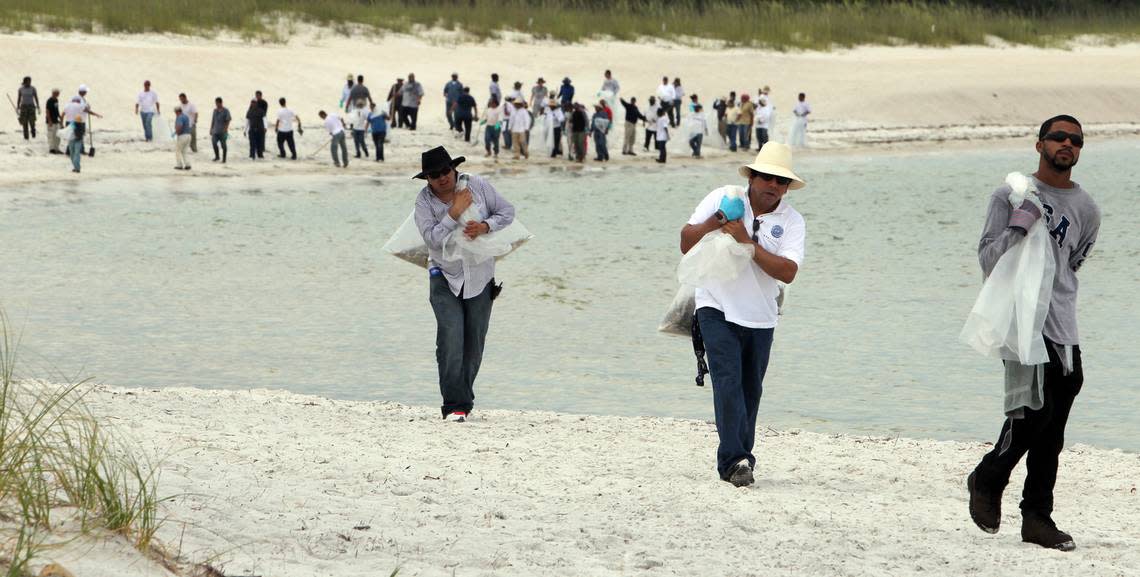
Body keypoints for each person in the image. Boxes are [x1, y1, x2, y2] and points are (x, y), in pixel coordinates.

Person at [966, 115, 1100, 552]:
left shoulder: (1087, 208)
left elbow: (1072, 264)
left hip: (1064, 323)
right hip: (1023, 322)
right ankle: (988, 478)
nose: (1067, 144)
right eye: (1059, 137)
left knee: (1055, 425)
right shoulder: (1010, 194)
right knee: (1032, 412)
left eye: (1075, 140)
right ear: (1039, 144)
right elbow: (987, 258)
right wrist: (1017, 228)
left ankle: (1037, 517)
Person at [679, 142, 807, 486]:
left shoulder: (792, 221)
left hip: (762, 315)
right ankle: (734, 460)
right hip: (715, 304)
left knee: (751, 391)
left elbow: (788, 271)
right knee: (727, 382)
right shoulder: (724, 197)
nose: (773, 186)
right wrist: (713, 223)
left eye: (781, 182)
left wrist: (747, 243)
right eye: (766, 177)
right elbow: (685, 241)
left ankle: (741, 459)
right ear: (751, 176)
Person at [413, 146, 516, 422]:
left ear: (453, 168)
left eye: (445, 171)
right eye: (434, 175)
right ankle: (452, 406)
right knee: (450, 338)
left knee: (474, 343)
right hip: (443, 276)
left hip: (481, 274)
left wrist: (485, 226)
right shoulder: (423, 202)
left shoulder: (477, 185)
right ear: (427, 179)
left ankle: (464, 402)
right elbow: (432, 239)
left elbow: (507, 212)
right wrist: (454, 212)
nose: (441, 178)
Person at [61, 96, 86, 173]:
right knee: (73, 154)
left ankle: (77, 168)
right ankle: (76, 167)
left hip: (76, 140)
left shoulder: (77, 125)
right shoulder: (74, 124)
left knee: (76, 154)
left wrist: (61, 124)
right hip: (73, 140)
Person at [245, 92, 267, 159]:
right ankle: (252, 154)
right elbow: (247, 121)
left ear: (256, 104)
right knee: (252, 143)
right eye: (252, 103)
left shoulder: (261, 111)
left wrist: (265, 127)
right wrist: (245, 130)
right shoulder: (249, 111)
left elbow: (264, 119)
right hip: (252, 129)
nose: (253, 104)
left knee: (259, 142)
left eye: (254, 103)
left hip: (260, 129)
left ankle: (260, 154)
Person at [210, 97, 231, 163]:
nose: (216, 104)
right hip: (215, 131)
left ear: (220, 103)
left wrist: (226, 128)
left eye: (217, 103)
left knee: (223, 145)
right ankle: (217, 156)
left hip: (223, 131)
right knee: (214, 143)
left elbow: (228, 120)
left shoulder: (226, 110)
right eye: (216, 103)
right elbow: (213, 120)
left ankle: (224, 159)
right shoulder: (215, 110)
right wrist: (211, 128)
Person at [173, 105, 192, 170]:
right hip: (188, 135)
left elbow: (179, 126)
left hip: (182, 136)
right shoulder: (186, 116)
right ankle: (188, 164)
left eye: (175, 112)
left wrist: (177, 132)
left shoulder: (179, 117)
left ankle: (179, 165)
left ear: (177, 111)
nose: (175, 113)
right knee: (184, 151)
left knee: (178, 151)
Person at [45, 88, 62, 154]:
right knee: (51, 135)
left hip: (56, 120)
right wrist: (49, 120)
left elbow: (57, 109)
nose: (58, 94)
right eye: (57, 93)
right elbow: (47, 111)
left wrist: (60, 117)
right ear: (54, 93)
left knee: (57, 135)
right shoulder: (49, 101)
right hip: (51, 120)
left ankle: (56, 148)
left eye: (58, 93)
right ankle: (51, 149)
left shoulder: (56, 100)